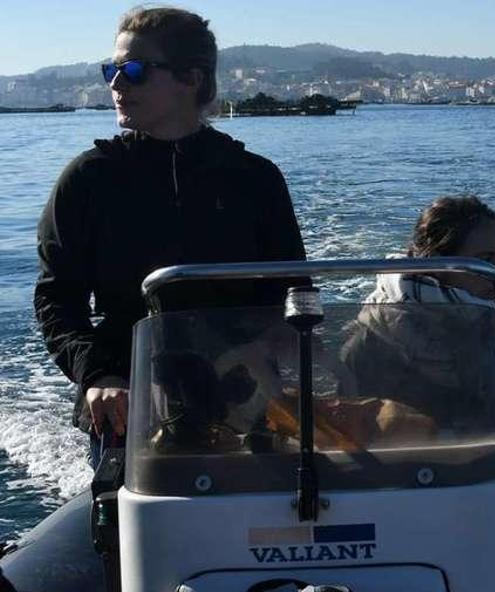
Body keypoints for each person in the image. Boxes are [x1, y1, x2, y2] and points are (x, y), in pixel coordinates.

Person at [34, 7, 306, 466]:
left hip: (246, 402)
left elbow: (293, 293)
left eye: (134, 71)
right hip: (128, 404)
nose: (116, 84)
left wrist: (273, 342)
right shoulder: (88, 180)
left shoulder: (254, 179)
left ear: (191, 79)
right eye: (111, 70)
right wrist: (97, 374)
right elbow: (56, 298)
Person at [343, 195, 495, 455]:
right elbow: (349, 446)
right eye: (484, 259)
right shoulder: (371, 341)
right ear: (436, 263)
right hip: (402, 489)